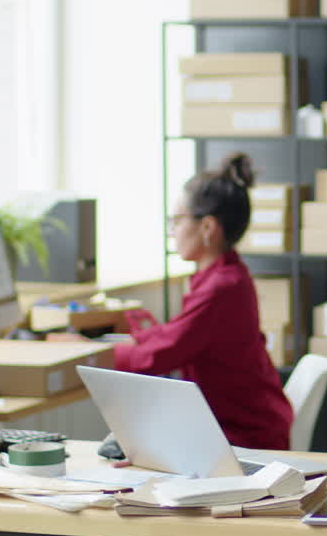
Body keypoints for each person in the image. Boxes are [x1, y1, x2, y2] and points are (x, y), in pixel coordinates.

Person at [113, 153, 293, 450]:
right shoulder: (225, 276)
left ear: (207, 227)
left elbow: (163, 354)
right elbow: (178, 334)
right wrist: (132, 336)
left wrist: (95, 354)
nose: (173, 231)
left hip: (243, 438)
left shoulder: (221, 287)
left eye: (177, 220)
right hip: (227, 427)